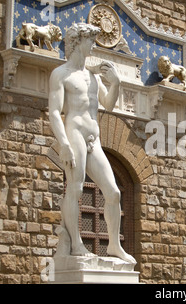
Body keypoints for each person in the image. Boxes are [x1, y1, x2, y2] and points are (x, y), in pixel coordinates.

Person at [48, 23, 135, 264]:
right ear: (77, 41)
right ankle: (76, 244)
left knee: (114, 192)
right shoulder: (61, 74)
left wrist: (116, 83)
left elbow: (107, 104)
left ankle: (114, 246)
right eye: (91, 41)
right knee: (75, 187)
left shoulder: (91, 76)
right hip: (74, 133)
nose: (94, 45)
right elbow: (54, 112)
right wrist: (63, 143)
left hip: (93, 139)